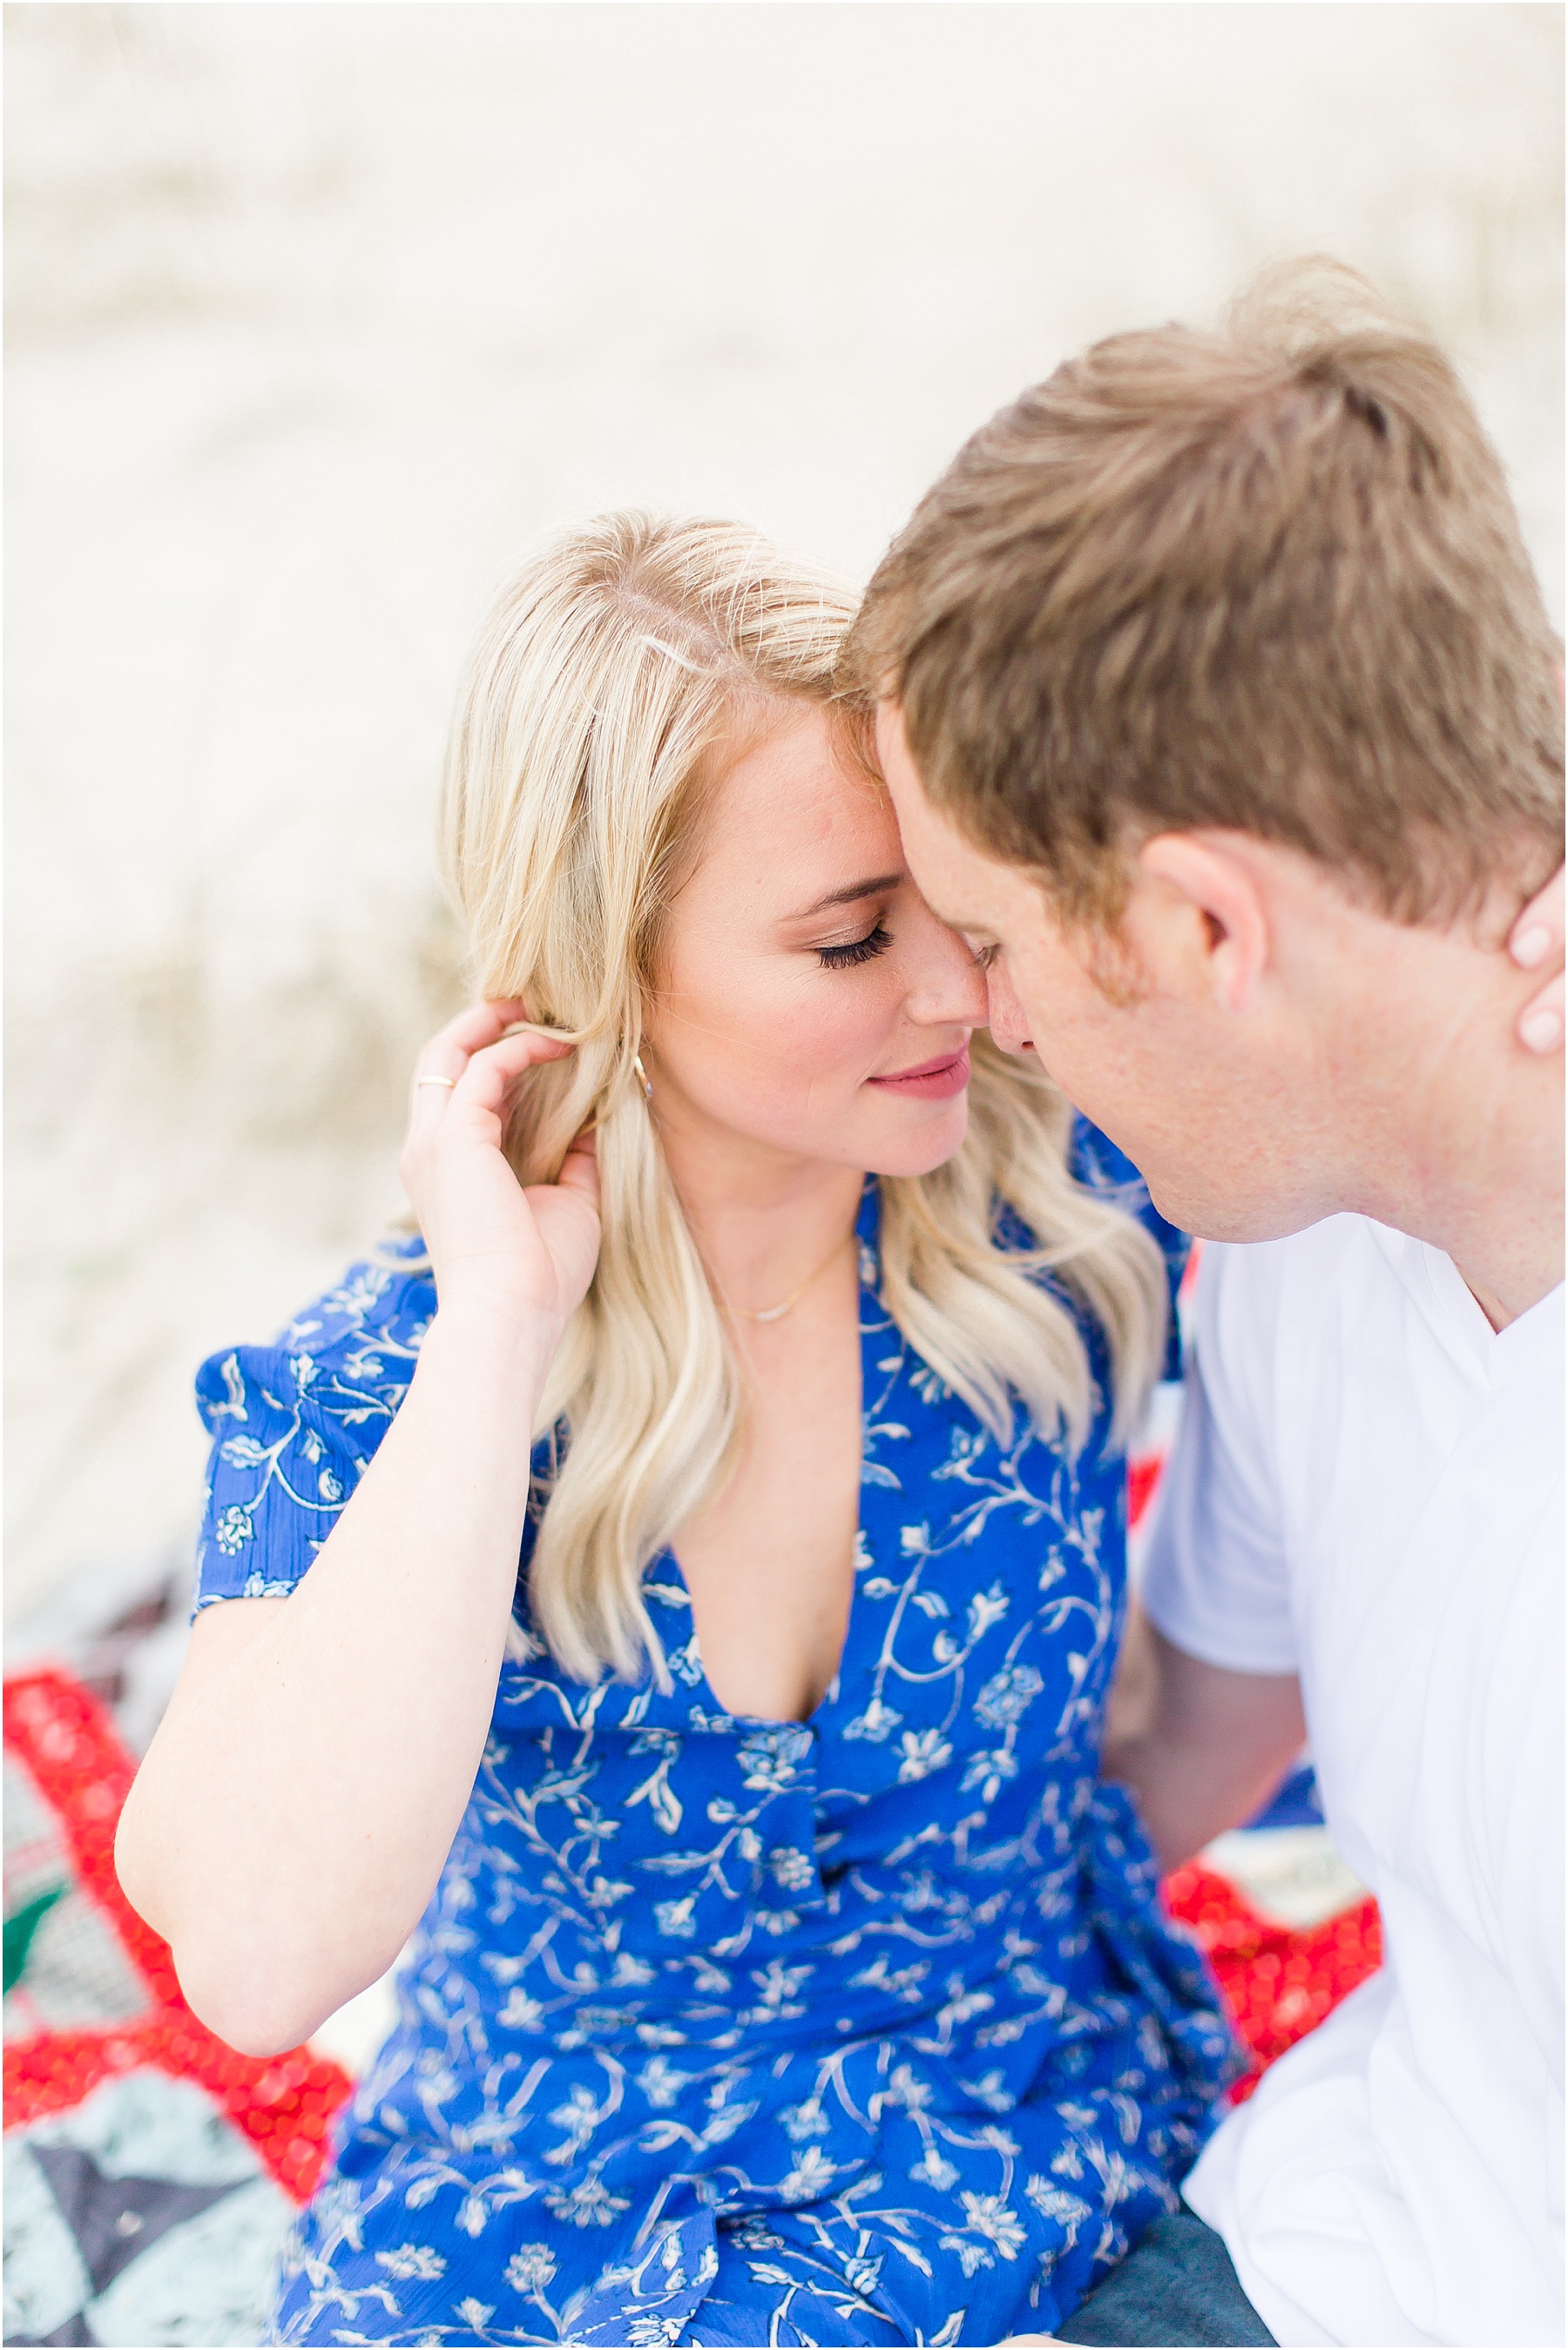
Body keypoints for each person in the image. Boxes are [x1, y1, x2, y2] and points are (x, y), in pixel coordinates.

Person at [116, 514, 1242, 2348]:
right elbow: (255, 1957)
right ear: (612, 965)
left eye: (948, 910)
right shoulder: (388, 1375)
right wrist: (498, 1322)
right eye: (849, 938)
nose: (957, 992)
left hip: (1040, 2180)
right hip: (553, 2252)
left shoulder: (1070, 1198)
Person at [854, 258, 1564, 2348]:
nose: (970, 1019)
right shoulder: (1288, 1219)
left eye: (990, 936)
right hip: (1314, 2237)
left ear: (1201, 920)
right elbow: (1188, 1716)